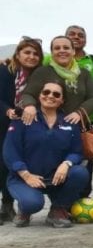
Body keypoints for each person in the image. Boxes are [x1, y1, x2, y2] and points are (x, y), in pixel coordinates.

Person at [20, 35, 93, 197]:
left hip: (74, 129)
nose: (62, 51)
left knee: (78, 167)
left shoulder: (83, 73)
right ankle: (38, 202)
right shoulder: (43, 71)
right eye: (57, 48)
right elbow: (28, 94)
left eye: (66, 48)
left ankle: (77, 202)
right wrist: (29, 106)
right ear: (51, 52)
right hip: (46, 128)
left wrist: (79, 112)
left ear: (73, 51)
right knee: (48, 165)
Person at [3, 82, 89, 228]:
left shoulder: (69, 122)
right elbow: (10, 152)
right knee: (33, 203)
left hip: (55, 178)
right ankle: (25, 210)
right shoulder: (22, 119)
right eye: (46, 92)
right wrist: (26, 175)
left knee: (80, 173)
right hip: (24, 178)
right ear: (39, 96)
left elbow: (76, 152)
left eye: (56, 94)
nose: (50, 96)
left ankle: (57, 209)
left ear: (62, 100)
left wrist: (66, 163)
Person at [0, 37, 43, 222]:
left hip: (30, 124)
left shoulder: (41, 74)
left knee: (25, 161)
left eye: (35, 53)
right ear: (17, 54)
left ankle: (24, 206)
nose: (31, 56)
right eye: (27, 52)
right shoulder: (5, 71)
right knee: (4, 162)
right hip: (5, 122)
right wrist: (7, 110)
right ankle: (6, 204)